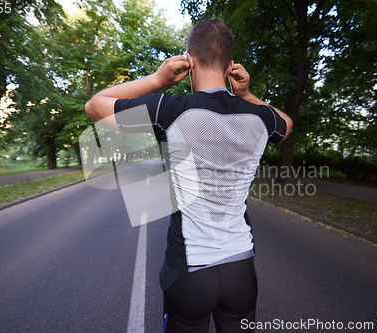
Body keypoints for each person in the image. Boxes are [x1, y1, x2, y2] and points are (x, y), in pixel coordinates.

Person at [85, 19, 292, 333]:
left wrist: (157, 80)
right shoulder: (259, 117)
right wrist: (248, 94)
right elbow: (286, 124)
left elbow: (95, 106)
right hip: (241, 269)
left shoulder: (170, 110)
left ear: (189, 62)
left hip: (189, 274)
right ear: (230, 67)